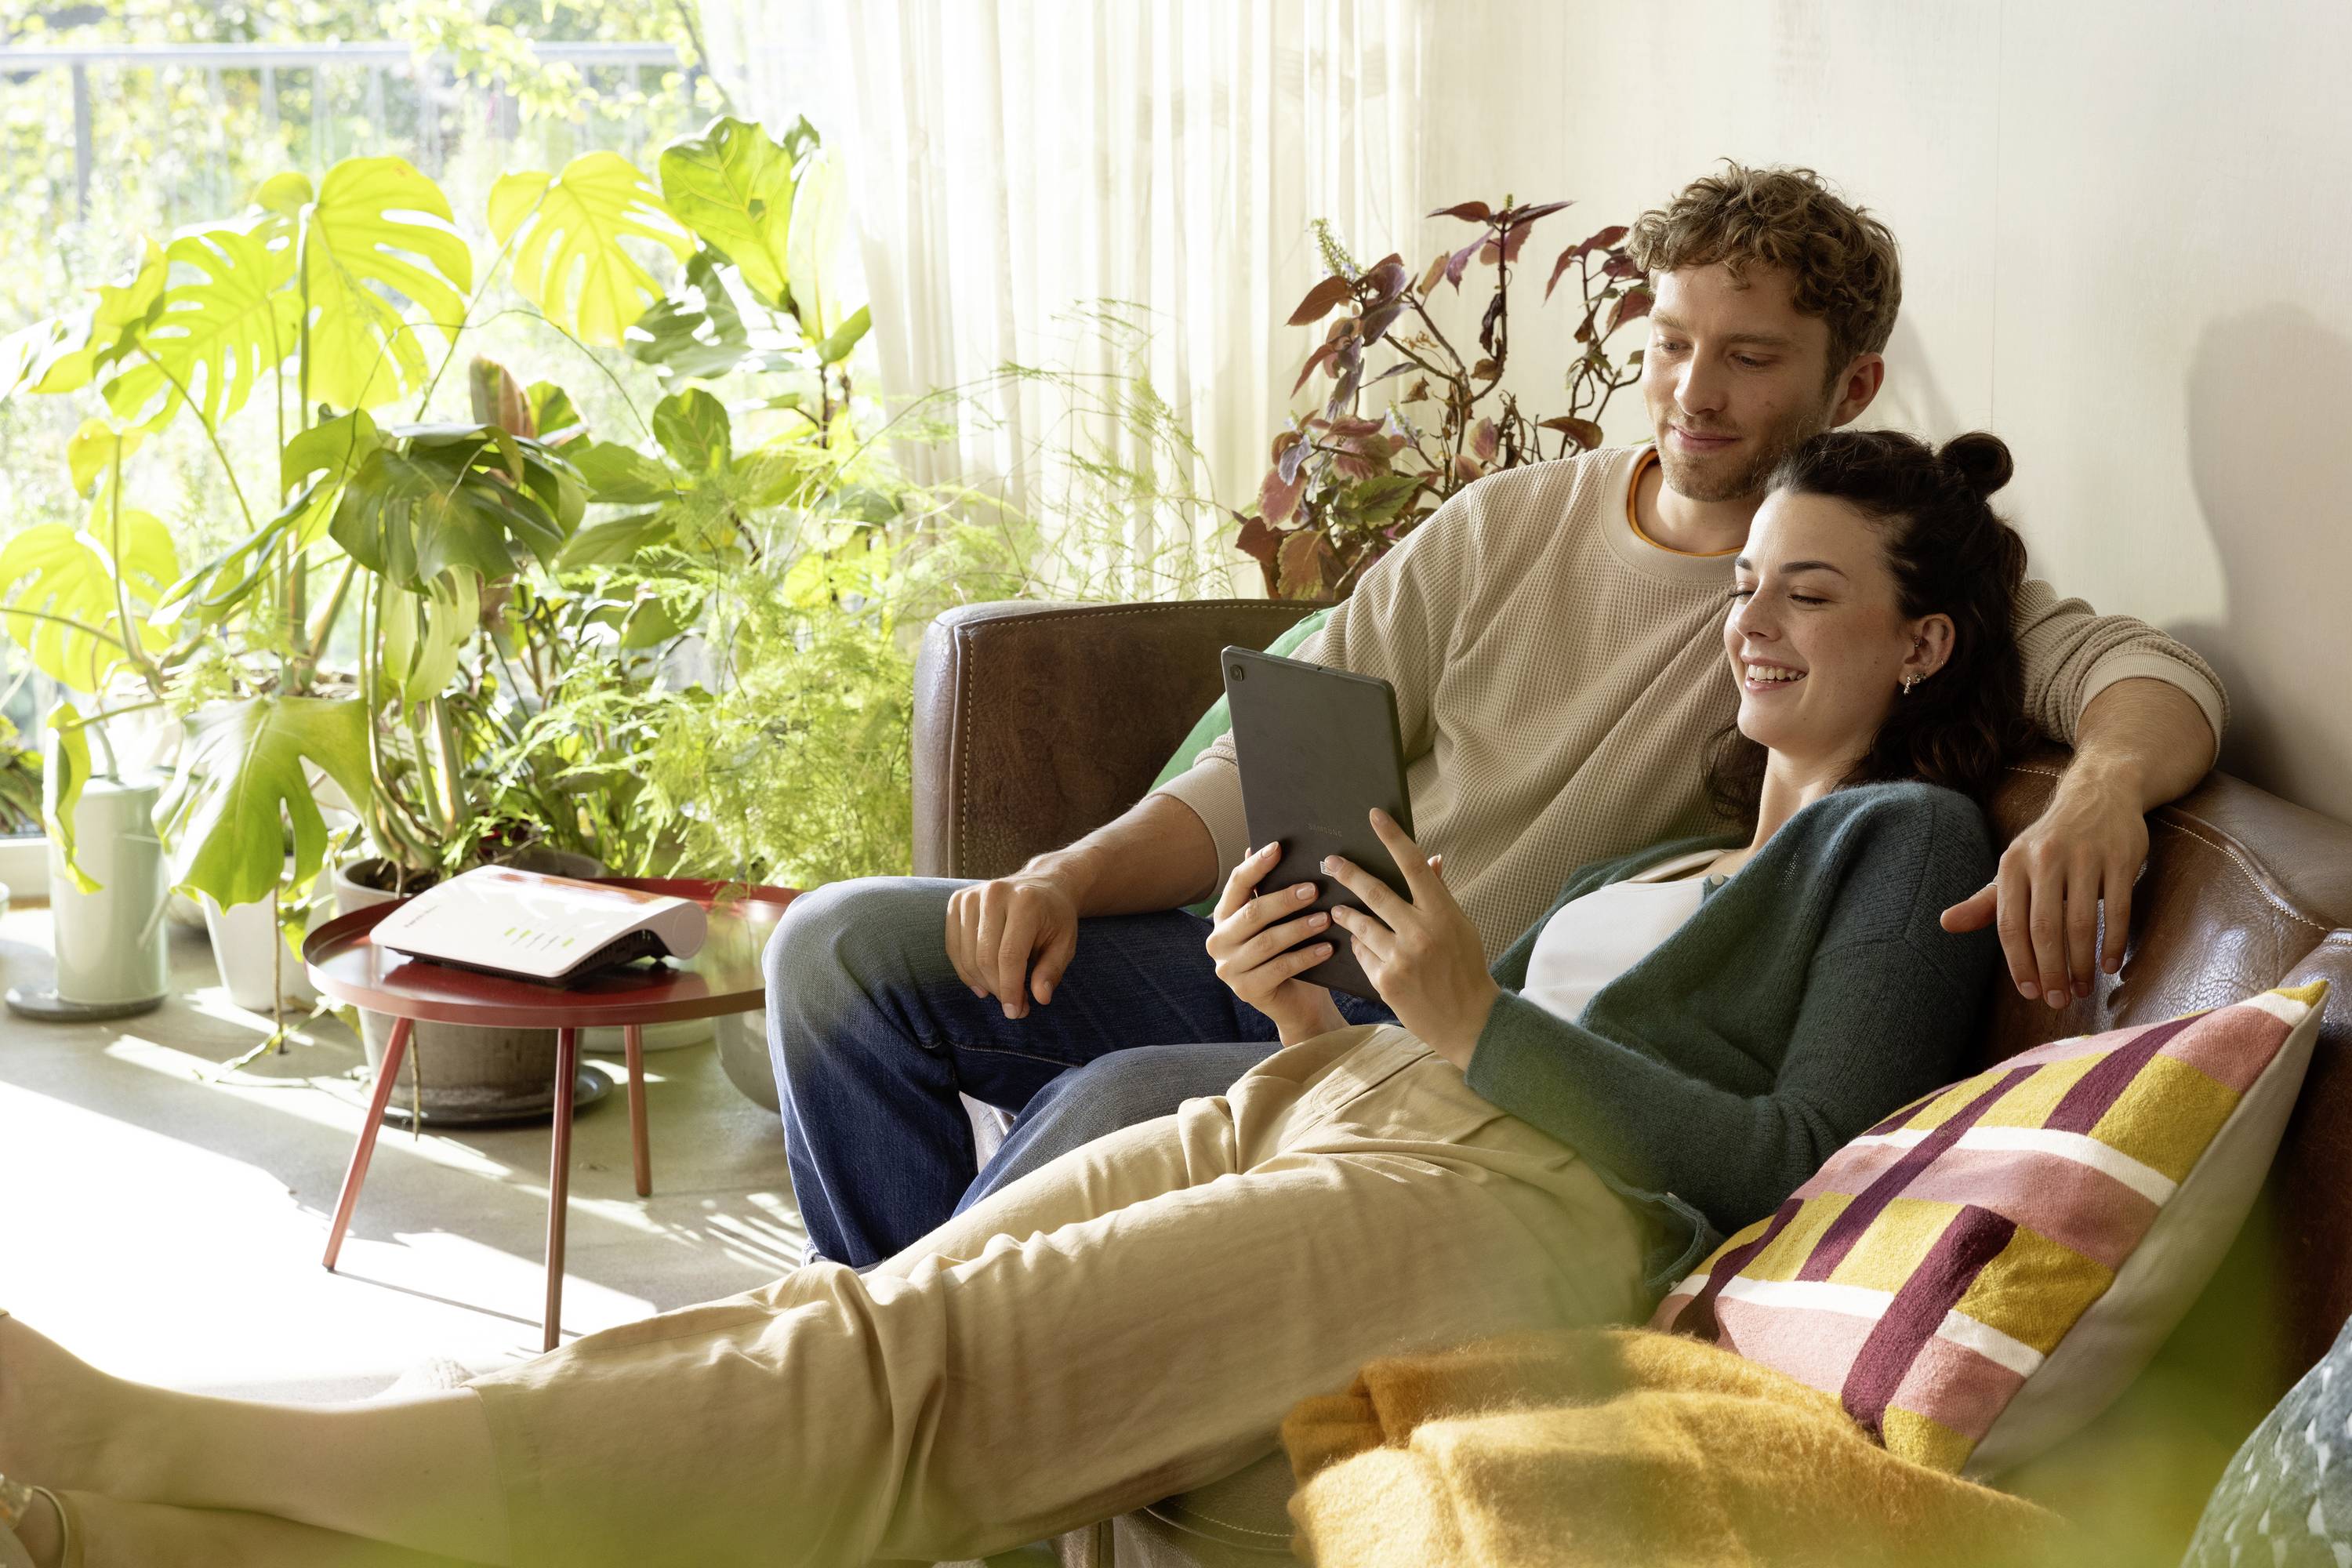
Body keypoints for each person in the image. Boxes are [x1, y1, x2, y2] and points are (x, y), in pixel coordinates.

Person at [0, 427, 2024, 1566]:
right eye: (1744, 583)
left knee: (910, 1384)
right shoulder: (1673, 846)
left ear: (1922, 643)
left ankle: (167, 1439)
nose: (1746, 622)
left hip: (1513, 1211)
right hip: (1355, 1112)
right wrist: (1322, 1020)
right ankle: (149, 1544)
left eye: (1809, 595)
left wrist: (1474, 1019)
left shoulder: (1908, 847)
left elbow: (1780, 1159)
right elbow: (1452, 1038)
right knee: (858, 1321)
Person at [768, 164, 2227, 1268]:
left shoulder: (1847, 587)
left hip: (1453, 1026)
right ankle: (911, 1342)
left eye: (1751, 357)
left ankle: (924, 1397)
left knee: (1112, 1104)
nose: (1692, 393)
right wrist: (1065, 878)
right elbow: (1261, 758)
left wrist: (2103, 788)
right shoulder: (1508, 524)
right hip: (1280, 957)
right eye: (1669, 343)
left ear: (1851, 384)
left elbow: (2145, 679)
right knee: (841, 950)